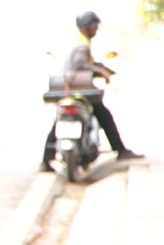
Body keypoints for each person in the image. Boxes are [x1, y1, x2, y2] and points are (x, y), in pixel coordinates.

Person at [42, 10, 144, 171]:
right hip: (78, 88)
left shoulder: (78, 40)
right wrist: (100, 71)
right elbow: (80, 64)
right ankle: (120, 150)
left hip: (67, 87)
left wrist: (102, 67)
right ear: (88, 27)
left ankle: (46, 159)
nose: (96, 30)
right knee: (104, 116)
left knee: (58, 123)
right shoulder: (82, 44)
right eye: (95, 27)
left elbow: (86, 62)